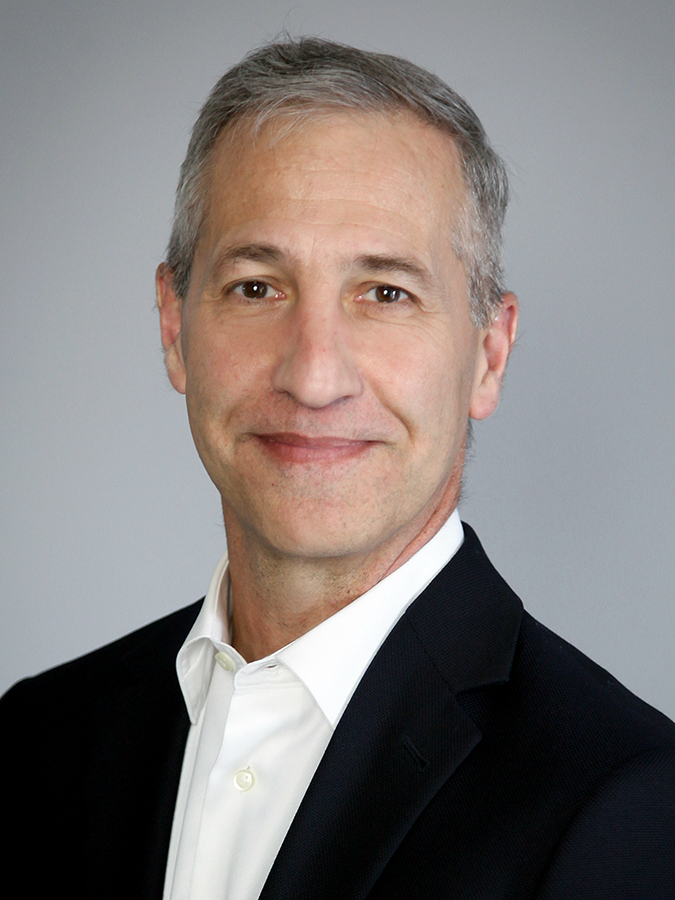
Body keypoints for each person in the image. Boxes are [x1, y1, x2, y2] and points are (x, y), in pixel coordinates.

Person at [2, 37, 674, 900]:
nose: (314, 376)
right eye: (256, 287)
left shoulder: (622, 805)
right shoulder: (38, 739)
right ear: (174, 326)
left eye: (385, 293)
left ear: (488, 354)